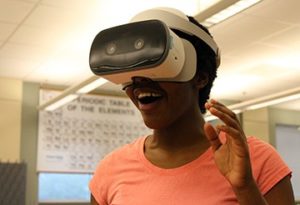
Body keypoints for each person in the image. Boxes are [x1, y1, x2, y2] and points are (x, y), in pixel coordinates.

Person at [89, 8, 295, 205]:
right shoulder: (111, 168)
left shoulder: (255, 159)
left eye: (156, 67)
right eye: (132, 74)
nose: (140, 83)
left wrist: (245, 187)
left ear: (200, 77)